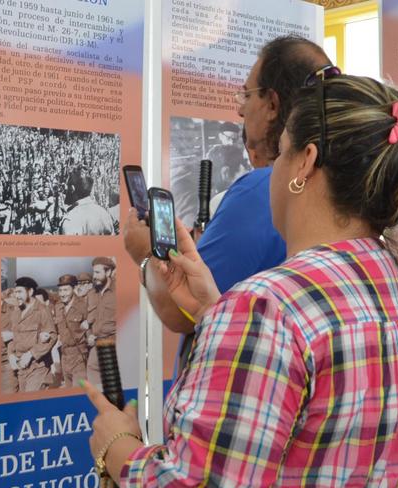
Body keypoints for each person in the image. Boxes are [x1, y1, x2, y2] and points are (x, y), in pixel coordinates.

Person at [84, 73, 398, 488]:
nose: (273, 167)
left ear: (304, 163)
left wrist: (118, 445)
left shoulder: (267, 307)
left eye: (282, 151)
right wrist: (217, 310)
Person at [124, 36, 331, 359]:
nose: (238, 108)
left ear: (272, 105)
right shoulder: (334, 184)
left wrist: (145, 257)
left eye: (246, 94)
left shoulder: (258, 190)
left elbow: (181, 312)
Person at [8, 276, 57, 392]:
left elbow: (52, 336)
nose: (16, 295)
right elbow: (13, 338)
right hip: (21, 368)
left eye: (19, 292)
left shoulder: (42, 311)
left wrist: (31, 354)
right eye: (15, 292)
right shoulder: (16, 312)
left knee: (32, 403)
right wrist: (11, 354)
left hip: (38, 368)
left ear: (30, 291)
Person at [85, 257, 116, 385]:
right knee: (94, 380)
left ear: (108, 272)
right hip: (96, 346)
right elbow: (88, 320)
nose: (94, 276)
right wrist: (89, 336)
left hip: (114, 344)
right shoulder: (91, 294)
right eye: (93, 272)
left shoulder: (118, 291)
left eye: (97, 272)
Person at [53, 274, 88, 387]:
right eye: (60, 290)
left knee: (78, 391)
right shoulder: (58, 307)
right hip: (64, 356)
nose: (62, 294)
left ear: (74, 289)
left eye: (66, 290)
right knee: (68, 392)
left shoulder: (83, 305)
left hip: (79, 355)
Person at [61, 166, 115, 235]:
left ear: (72, 188)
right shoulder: (104, 214)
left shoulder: (71, 219)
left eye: (68, 187)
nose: (65, 191)